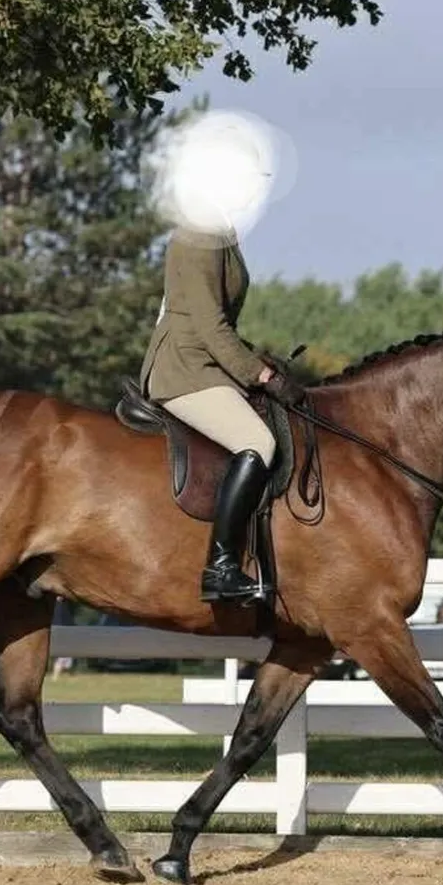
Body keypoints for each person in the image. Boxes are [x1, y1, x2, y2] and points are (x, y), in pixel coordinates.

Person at [140, 226, 305, 603]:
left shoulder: (221, 231)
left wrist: (255, 357)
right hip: (184, 366)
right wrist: (259, 374)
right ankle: (221, 568)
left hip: (206, 361)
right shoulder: (200, 232)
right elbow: (209, 324)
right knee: (257, 441)